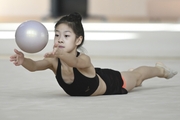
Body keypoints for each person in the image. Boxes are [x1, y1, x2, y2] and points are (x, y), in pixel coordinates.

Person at [10, 12, 178, 96]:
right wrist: (24, 60)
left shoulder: (83, 59)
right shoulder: (54, 62)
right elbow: (34, 66)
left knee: (138, 76)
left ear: (78, 40)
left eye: (66, 36)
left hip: (112, 82)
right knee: (135, 76)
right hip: (94, 78)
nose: (60, 40)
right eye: (57, 35)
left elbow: (75, 63)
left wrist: (60, 55)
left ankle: (160, 70)